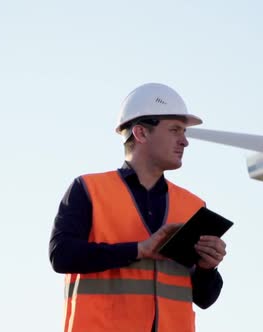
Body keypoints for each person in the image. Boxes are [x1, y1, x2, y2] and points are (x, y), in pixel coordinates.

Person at [49, 82, 227, 332]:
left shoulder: (193, 206)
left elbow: (205, 298)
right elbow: (61, 255)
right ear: (141, 133)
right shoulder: (89, 189)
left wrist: (209, 269)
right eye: (175, 130)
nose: (185, 142)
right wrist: (138, 249)